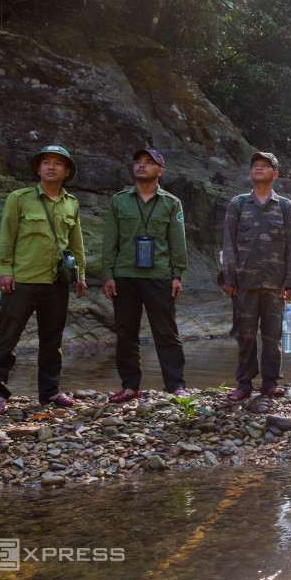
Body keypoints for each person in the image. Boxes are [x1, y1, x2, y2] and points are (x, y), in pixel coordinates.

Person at [0, 145, 87, 416]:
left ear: (66, 171)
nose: (51, 166)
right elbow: (7, 237)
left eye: (57, 163)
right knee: (7, 338)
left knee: (52, 340)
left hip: (57, 283)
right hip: (22, 281)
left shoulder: (71, 203)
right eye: (45, 162)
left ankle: (50, 391)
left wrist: (80, 275)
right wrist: (4, 270)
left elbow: (76, 244)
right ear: (38, 169)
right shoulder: (19, 198)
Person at [101, 148, 190, 401]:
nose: (141, 166)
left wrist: (177, 276)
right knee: (126, 332)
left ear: (160, 171)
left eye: (148, 163)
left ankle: (176, 385)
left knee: (166, 332)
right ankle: (130, 386)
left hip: (159, 276)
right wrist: (108, 275)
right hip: (124, 276)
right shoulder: (119, 200)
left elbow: (177, 243)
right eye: (138, 162)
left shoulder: (171, 203)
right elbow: (110, 241)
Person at [221, 152, 291, 401]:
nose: (258, 169)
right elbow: (228, 243)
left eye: (264, 166)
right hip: (243, 283)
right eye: (255, 166)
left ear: (275, 174)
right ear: (249, 173)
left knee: (272, 334)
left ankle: (270, 382)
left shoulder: (286, 206)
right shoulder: (238, 204)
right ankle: (244, 383)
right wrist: (228, 279)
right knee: (244, 334)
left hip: (275, 284)